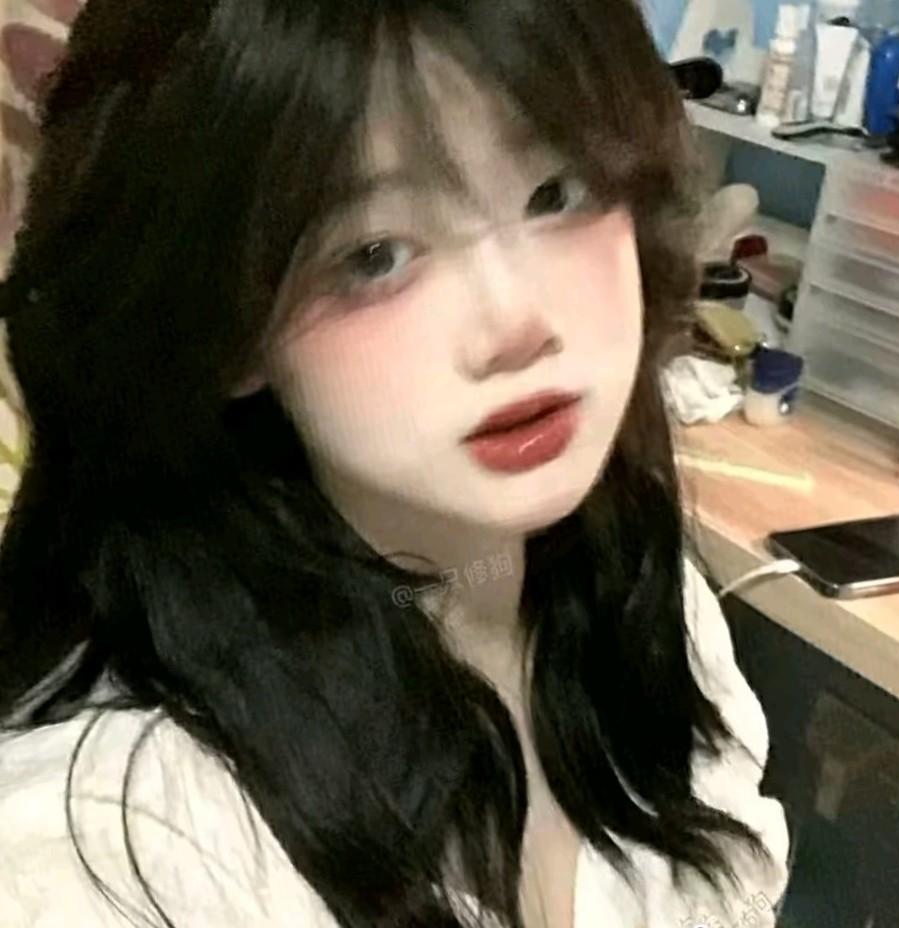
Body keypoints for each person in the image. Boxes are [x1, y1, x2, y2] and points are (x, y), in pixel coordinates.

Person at [0, 1, 790, 926]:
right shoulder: (126, 843)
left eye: (557, 193)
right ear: (231, 325)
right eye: (374, 255)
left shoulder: (641, 605)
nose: (517, 323)